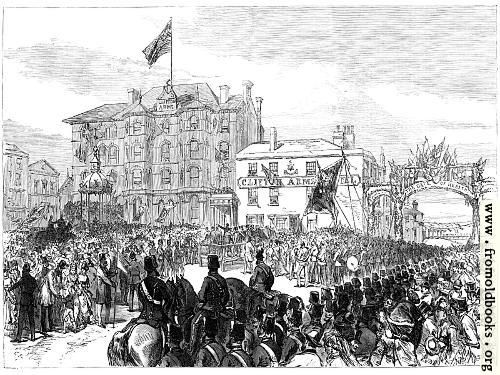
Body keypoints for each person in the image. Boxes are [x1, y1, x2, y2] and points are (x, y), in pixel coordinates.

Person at [190, 254, 230, 354]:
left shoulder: (207, 280)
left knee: (194, 324)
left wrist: (202, 303)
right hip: (220, 309)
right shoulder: (222, 279)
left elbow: (201, 296)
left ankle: (193, 350)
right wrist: (221, 305)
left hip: (208, 310)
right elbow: (226, 296)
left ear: (209, 267)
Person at [137, 256, 174, 333]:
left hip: (144, 315)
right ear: (155, 268)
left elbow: (141, 300)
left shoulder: (141, 284)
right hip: (157, 316)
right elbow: (169, 299)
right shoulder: (160, 283)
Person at [9, 263, 38, 342]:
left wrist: (9, 289)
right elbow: (36, 287)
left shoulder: (23, 279)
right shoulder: (33, 279)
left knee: (21, 319)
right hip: (31, 301)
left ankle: (18, 337)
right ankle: (33, 336)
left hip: (24, 301)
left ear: (25, 271)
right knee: (31, 319)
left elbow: (16, 285)